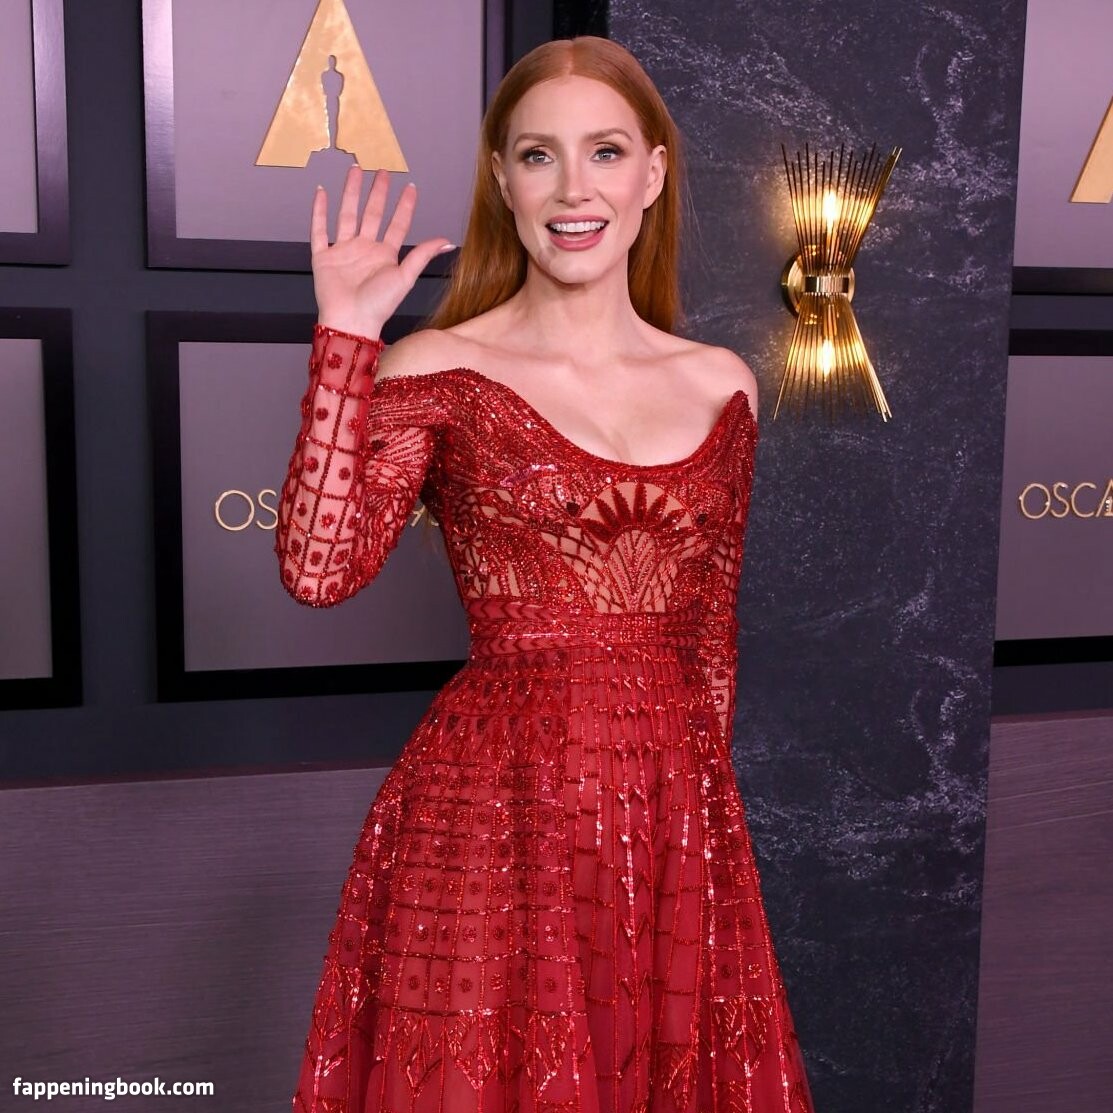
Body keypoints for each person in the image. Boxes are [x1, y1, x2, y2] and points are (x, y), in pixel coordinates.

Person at [277, 35, 815, 1113]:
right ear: (502, 179)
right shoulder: (440, 365)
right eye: (538, 156)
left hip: (671, 824)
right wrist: (347, 336)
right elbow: (318, 570)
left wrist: (698, 841)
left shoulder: (723, 385)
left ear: (651, 175)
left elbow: (710, 643)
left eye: (604, 152)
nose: (574, 188)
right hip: (492, 815)